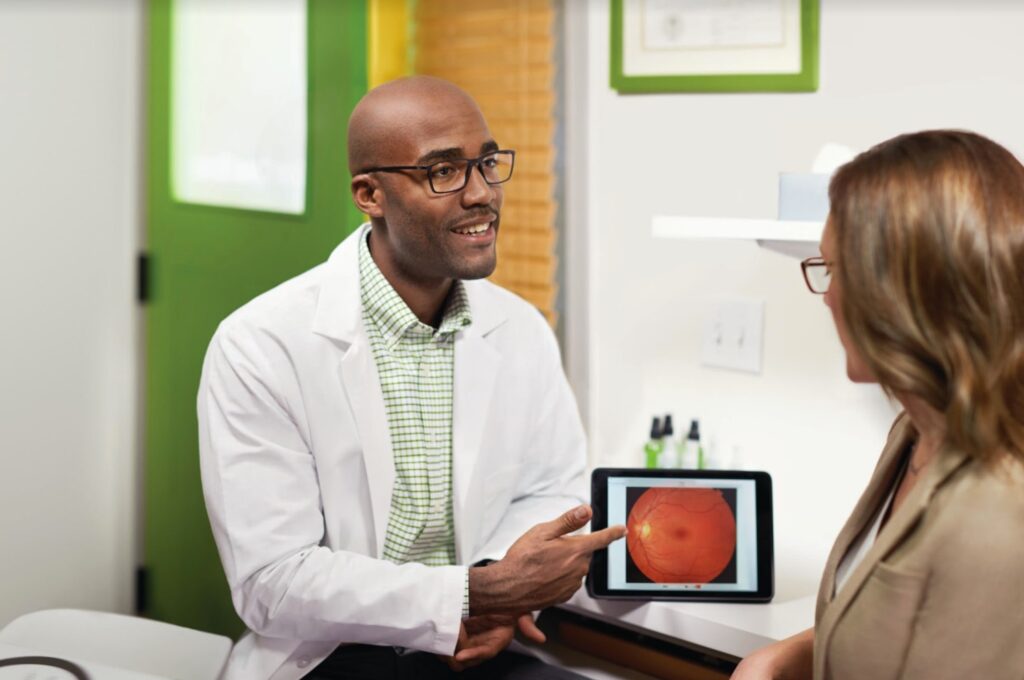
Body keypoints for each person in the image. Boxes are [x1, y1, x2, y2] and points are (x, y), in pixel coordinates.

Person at [197, 76, 625, 680]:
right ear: (369, 193)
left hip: (474, 647)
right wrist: (474, 595)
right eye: (442, 172)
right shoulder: (260, 345)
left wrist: (497, 587)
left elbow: (551, 490)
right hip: (333, 657)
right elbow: (273, 582)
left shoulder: (519, 328)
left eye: (486, 164)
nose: (481, 194)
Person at [732, 130, 1024, 680]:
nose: (828, 296)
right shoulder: (914, 432)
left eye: (837, 270)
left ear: (908, 292)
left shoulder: (1000, 514)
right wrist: (781, 657)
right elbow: (906, 614)